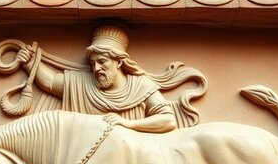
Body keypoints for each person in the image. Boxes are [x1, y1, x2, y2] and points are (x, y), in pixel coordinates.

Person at [16, 25, 178, 133]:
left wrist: (127, 123)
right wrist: (30, 62)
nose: (96, 69)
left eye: (102, 62)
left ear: (119, 62)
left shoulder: (141, 86)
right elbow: (50, 82)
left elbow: (168, 120)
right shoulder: (81, 84)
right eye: (93, 63)